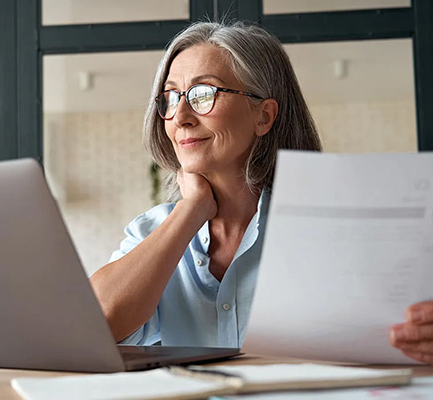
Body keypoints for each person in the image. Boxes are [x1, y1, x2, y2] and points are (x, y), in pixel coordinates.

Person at [89, 21, 433, 365]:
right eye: (171, 97)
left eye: (203, 94)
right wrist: (191, 209)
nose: (180, 116)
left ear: (264, 116)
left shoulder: (337, 224)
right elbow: (96, 326)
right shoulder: (152, 231)